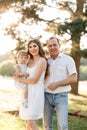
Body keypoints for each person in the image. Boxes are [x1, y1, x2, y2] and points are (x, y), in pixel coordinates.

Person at [43, 37, 77, 130]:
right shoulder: (45, 60)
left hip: (61, 96)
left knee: (63, 126)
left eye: (55, 45)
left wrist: (57, 84)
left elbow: (74, 78)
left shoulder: (68, 59)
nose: (52, 47)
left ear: (59, 45)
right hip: (46, 96)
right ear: (47, 47)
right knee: (46, 126)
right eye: (50, 45)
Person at [13, 39, 48, 130]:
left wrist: (19, 79)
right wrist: (17, 76)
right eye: (30, 47)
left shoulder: (42, 61)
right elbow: (20, 70)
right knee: (27, 123)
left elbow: (34, 80)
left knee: (31, 122)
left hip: (36, 92)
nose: (32, 48)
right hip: (26, 93)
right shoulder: (29, 61)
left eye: (35, 46)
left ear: (39, 47)